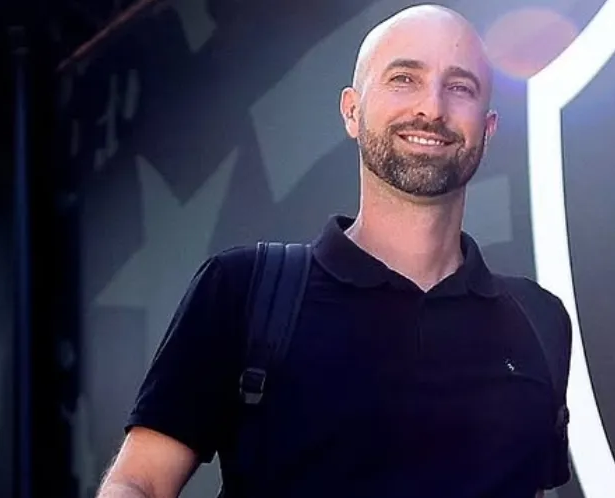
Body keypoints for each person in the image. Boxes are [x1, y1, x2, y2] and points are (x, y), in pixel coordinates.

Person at [96, 4, 572, 498]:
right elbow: (140, 482)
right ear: (351, 111)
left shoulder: (539, 320)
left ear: (488, 129)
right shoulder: (242, 290)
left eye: (460, 87)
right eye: (404, 78)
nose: (432, 108)